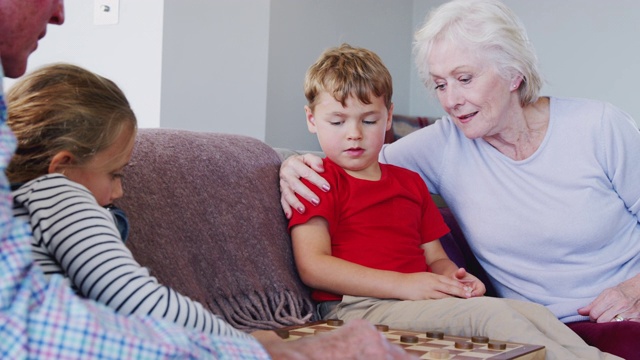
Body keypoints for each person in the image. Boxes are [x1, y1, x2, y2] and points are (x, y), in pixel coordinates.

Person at [0, 1, 414, 359]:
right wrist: (246, 343)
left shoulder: (27, 201)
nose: (121, 191)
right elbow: (136, 297)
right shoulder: (60, 191)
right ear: (62, 165)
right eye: (114, 174)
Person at [279, 1, 640, 359]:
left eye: (464, 79)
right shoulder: (441, 144)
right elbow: (356, 165)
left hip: (625, 310)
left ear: (514, 74)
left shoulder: (600, 127)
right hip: (544, 324)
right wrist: (290, 166)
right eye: (440, 84)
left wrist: (635, 289)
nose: (450, 100)